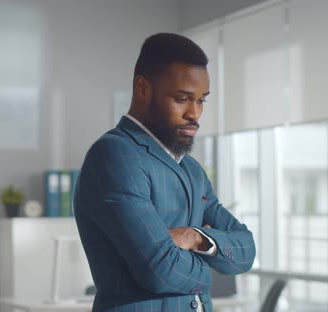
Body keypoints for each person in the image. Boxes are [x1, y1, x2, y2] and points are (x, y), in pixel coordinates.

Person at [74, 33, 256, 312]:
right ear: (142, 88)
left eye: (201, 100)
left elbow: (246, 250)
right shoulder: (115, 156)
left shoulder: (192, 170)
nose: (194, 113)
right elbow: (160, 270)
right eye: (182, 99)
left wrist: (196, 236)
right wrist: (209, 272)